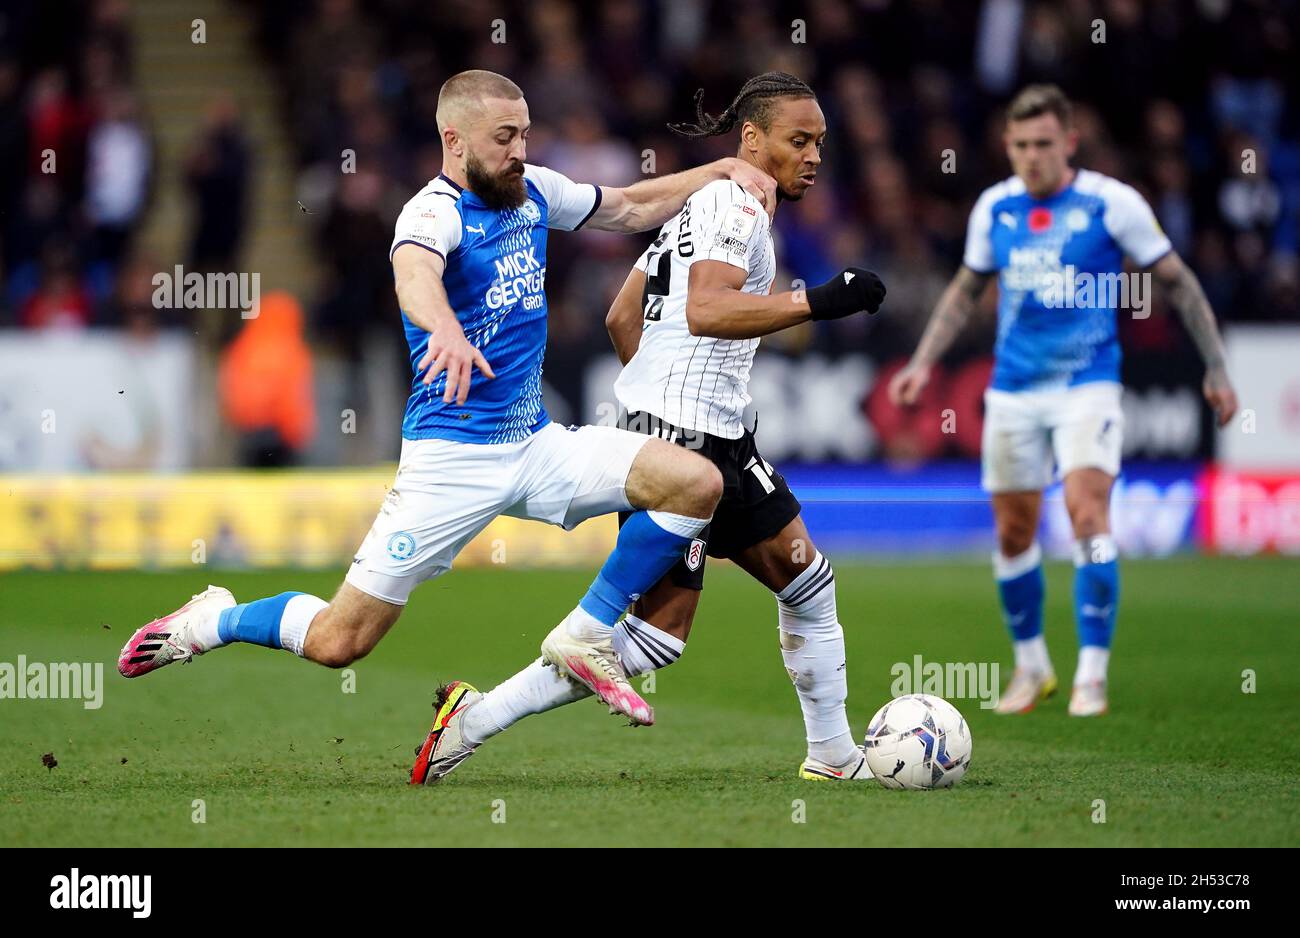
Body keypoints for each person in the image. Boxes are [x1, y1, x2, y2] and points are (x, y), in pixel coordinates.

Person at [118, 70, 776, 745]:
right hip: (450, 462)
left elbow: (630, 206)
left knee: (696, 482)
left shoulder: (533, 192)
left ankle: (585, 633)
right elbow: (414, 275)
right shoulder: (432, 213)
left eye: (524, 132)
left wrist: (720, 168)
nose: (521, 148)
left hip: (536, 446)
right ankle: (213, 619)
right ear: (455, 141)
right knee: (339, 641)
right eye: (505, 137)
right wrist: (445, 329)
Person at [415, 73, 888, 785]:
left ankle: (472, 719)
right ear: (752, 139)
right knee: (794, 590)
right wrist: (821, 301)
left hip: (689, 430)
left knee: (669, 634)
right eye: (799, 140)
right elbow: (708, 310)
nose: (814, 155)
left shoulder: (698, 207)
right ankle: (834, 757)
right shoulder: (737, 208)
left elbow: (620, 318)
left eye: (820, 141)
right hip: (696, 445)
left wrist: (657, 401)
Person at [887, 84, 1238, 717]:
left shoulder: (1112, 203)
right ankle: (1033, 667)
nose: (1031, 156)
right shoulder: (995, 207)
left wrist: (1216, 368)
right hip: (1014, 391)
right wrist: (921, 364)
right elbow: (966, 291)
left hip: (1088, 385)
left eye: (1044, 143)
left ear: (1069, 142)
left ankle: (1093, 674)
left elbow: (1179, 284)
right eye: (1020, 145)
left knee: (1085, 514)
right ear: (1007, 147)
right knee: (1014, 529)